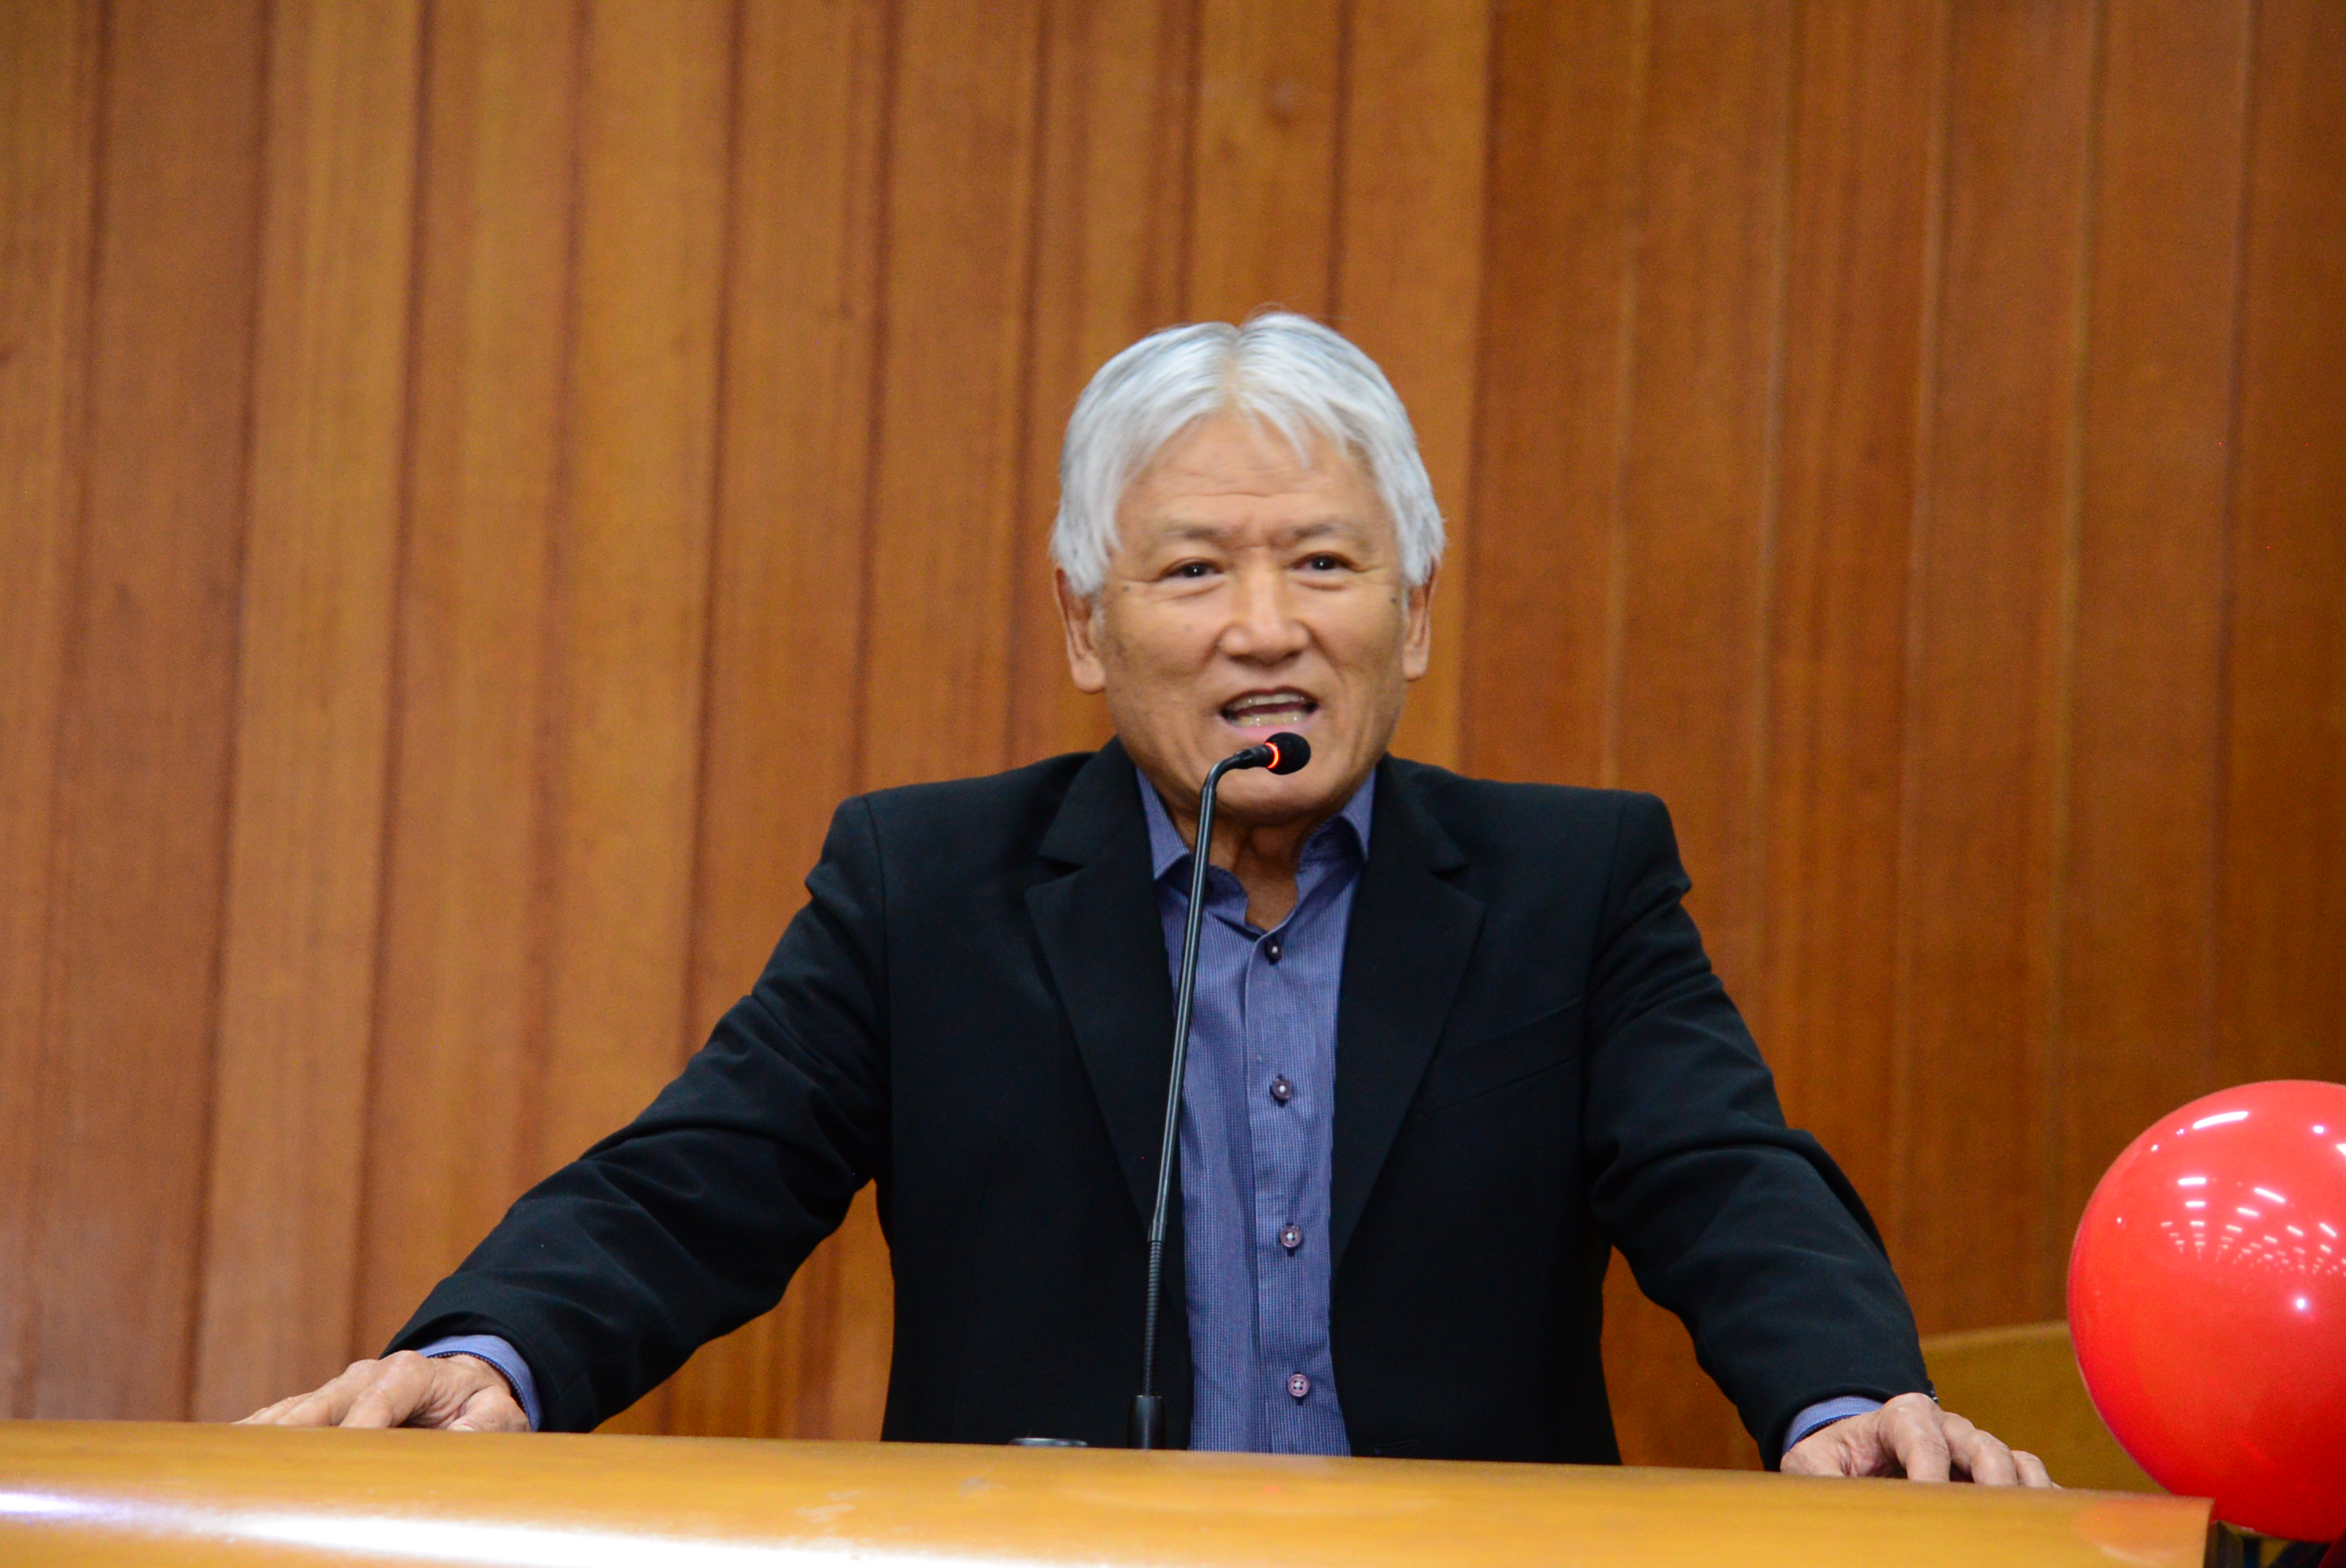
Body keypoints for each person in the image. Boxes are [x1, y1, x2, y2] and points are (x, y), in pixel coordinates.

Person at [246, 314, 2051, 1486]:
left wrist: (1841, 1399)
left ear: (1413, 614)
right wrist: (495, 1352)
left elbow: (1725, 1176)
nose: (1265, 628)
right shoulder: (923, 886)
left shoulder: (1572, 884)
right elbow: (700, 1177)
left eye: (1324, 562)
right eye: (1191, 570)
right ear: (1084, 626)